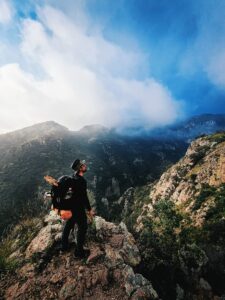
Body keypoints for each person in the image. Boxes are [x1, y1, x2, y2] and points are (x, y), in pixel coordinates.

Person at [61, 159, 95, 258]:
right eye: (83, 165)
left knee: (68, 225)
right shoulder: (82, 181)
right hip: (78, 208)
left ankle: (64, 246)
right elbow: (84, 197)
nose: (85, 166)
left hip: (71, 206)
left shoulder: (73, 177)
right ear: (80, 168)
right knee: (83, 227)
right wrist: (89, 209)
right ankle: (79, 253)